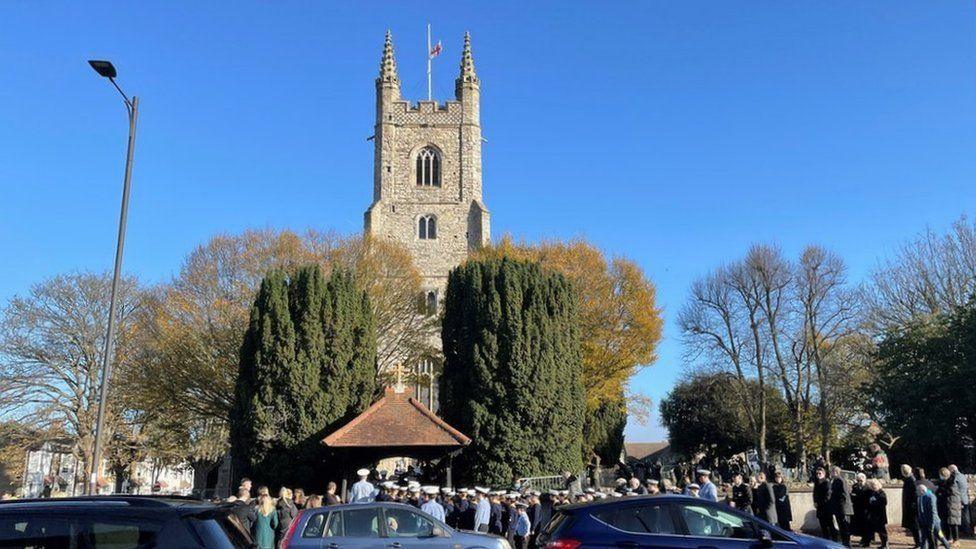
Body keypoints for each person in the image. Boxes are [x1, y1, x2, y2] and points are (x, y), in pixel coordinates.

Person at [918, 483, 951, 549]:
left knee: (940, 536)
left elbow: (933, 512)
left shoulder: (931, 497)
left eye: (918, 491)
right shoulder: (920, 497)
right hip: (924, 522)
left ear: (922, 491)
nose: (917, 492)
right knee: (923, 539)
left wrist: (932, 525)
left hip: (935, 522)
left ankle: (947, 546)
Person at [830, 466, 854, 547]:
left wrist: (841, 507)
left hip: (843, 508)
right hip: (840, 508)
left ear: (835, 472)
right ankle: (845, 542)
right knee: (842, 526)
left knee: (845, 527)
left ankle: (847, 543)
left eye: (831, 472)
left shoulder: (839, 481)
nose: (830, 473)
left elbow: (844, 494)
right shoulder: (837, 480)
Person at [862, 479, 888, 549]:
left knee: (882, 531)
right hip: (872, 515)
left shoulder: (881, 493)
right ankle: (867, 542)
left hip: (880, 515)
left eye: (874, 485)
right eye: (872, 486)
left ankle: (885, 544)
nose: (873, 487)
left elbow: (884, 502)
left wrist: (874, 502)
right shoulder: (872, 493)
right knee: (870, 529)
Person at [939, 467, 961, 543]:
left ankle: (956, 540)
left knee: (953, 524)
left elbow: (951, 492)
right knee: (947, 523)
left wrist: (941, 492)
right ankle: (949, 539)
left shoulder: (952, 482)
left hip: (952, 505)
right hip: (948, 504)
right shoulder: (946, 482)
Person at [948, 465, 970, 537]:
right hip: (965, 498)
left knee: (960, 518)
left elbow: (953, 488)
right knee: (966, 516)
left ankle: (964, 532)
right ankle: (967, 532)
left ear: (952, 470)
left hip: (959, 499)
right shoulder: (963, 476)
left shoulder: (955, 477)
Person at [813, 467, 835, 540]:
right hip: (820, 508)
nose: (818, 475)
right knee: (823, 525)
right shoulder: (817, 483)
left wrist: (819, 503)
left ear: (824, 474)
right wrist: (815, 502)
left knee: (830, 525)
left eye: (820, 473)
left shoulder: (827, 482)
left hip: (827, 508)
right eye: (817, 473)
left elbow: (828, 496)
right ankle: (826, 539)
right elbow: (815, 494)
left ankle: (834, 539)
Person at [901, 465, 920, 546]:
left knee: (915, 526)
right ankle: (918, 543)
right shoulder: (909, 479)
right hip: (910, 506)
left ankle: (918, 543)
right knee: (913, 526)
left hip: (912, 507)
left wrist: (913, 505)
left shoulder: (911, 480)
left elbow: (914, 494)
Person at [852, 473, 869, 541]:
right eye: (858, 480)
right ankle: (862, 538)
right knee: (859, 525)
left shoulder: (867, 487)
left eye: (861, 481)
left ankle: (866, 539)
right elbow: (853, 495)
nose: (860, 482)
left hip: (866, 508)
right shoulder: (855, 486)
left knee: (866, 525)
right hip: (857, 508)